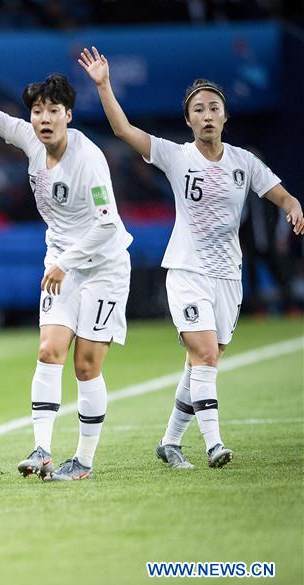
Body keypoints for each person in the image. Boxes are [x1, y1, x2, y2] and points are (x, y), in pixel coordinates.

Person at [79, 47, 304, 469]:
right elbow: (125, 130)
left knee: (205, 357)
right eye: (197, 109)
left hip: (227, 275)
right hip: (186, 270)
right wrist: (104, 85)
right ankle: (214, 444)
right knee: (204, 354)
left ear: (224, 116)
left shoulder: (245, 162)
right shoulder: (177, 156)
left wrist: (292, 205)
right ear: (188, 120)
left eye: (213, 108)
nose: (206, 115)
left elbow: (279, 192)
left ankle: (169, 442)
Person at [0, 25, 133, 481]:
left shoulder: (88, 159)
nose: (43, 119)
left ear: (68, 114)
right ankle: (41, 450)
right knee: (50, 350)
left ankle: (84, 460)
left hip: (103, 265)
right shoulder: (31, 141)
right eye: (36, 111)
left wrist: (64, 262)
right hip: (62, 264)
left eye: (52, 110)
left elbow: (107, 222)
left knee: (86, 365)